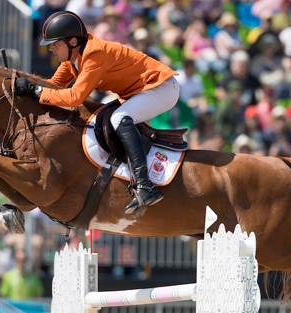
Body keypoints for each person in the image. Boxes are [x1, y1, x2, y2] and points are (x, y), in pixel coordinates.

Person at [14, 11, 180, 214]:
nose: (50, 49)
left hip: (160, 88)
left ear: (72, 41)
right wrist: (27, 91)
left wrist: (36, 90)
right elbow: (54, 86)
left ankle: (145, 186)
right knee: (107, 116)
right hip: (138, 92)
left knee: (119, 118)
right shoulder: (73, 58)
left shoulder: (95, 53)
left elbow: (75, 97)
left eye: (55, 43)